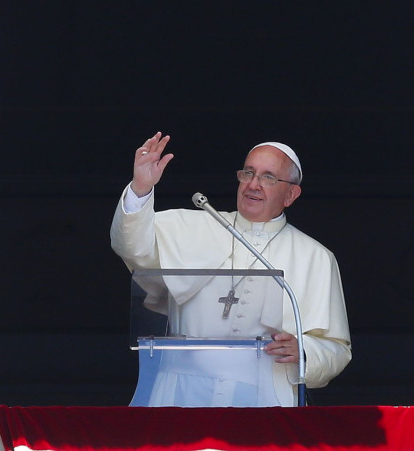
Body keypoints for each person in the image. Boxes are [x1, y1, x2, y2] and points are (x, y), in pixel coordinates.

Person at [111, 132, 351, 407]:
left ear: (291, 194)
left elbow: (337, 348)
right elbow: (131, 246)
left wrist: (305, 351)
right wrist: (140, 187)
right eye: (248, 173)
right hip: (180, 392)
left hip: (266, 397)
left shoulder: (315, 257)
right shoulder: (195, 227)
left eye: (268, 177)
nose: (253, 184)